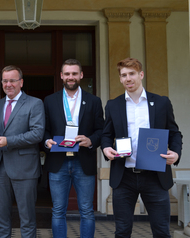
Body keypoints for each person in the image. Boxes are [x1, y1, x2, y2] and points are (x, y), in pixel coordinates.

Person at [101, 58, 182, 238]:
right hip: (124, 177)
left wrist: (175, 153)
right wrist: (106, 149)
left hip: (155, 176)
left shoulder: (161, 103)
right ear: (120, 79)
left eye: (132, 74)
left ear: (141, 75)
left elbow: (175, 133)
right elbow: (106, 135)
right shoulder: (113, 105)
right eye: (124, 75)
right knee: (122, 231)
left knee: (161, 231)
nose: (128, 78)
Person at [0, 65, 45, 238]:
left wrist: (9, 141)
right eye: (5, 81)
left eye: (12, 80)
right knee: (1, 218)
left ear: (21, 82)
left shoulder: (35, 103)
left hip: (25, 168)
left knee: (27, 218)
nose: (8, 84)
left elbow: (37, 134)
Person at [43, 59, 104, 238]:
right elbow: (44, 129)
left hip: (83, 160)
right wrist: (46, 141)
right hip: (58, 162)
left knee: (86, 210)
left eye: (74, 73)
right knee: (58, 210)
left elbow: (102, 130)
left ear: (81, 75)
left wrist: (91, 139)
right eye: (67, 74)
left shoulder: (93, 101)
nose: (71, 77)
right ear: (61, 76)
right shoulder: (50, 100)